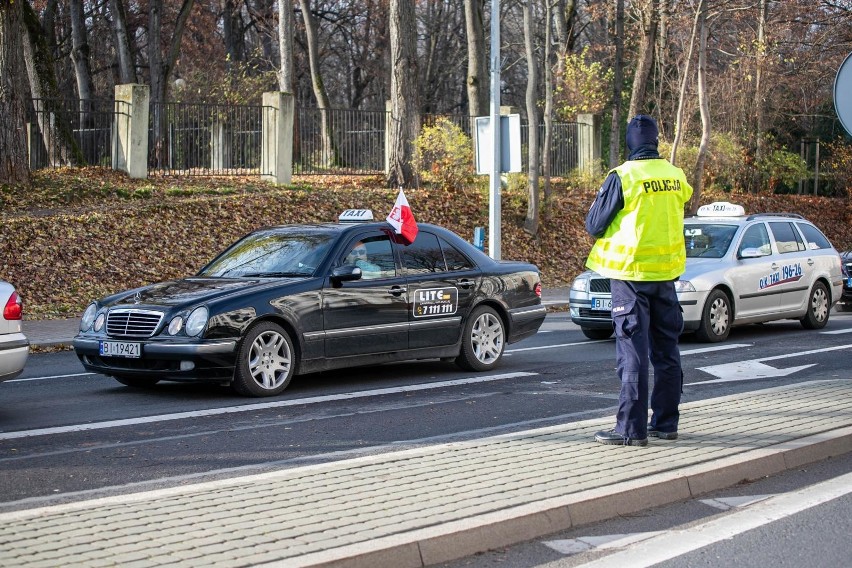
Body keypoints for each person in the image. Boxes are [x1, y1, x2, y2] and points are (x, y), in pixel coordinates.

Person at [584, 114, 694, 447]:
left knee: (632, 354)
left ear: (630, 143)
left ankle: (631, 430)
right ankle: (666, 423)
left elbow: (594, 224)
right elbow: (682, 203)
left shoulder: (623, 176)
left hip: (630, 276)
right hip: (665, 276)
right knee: (667, 352)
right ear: (657, 140)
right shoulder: (675, 175)